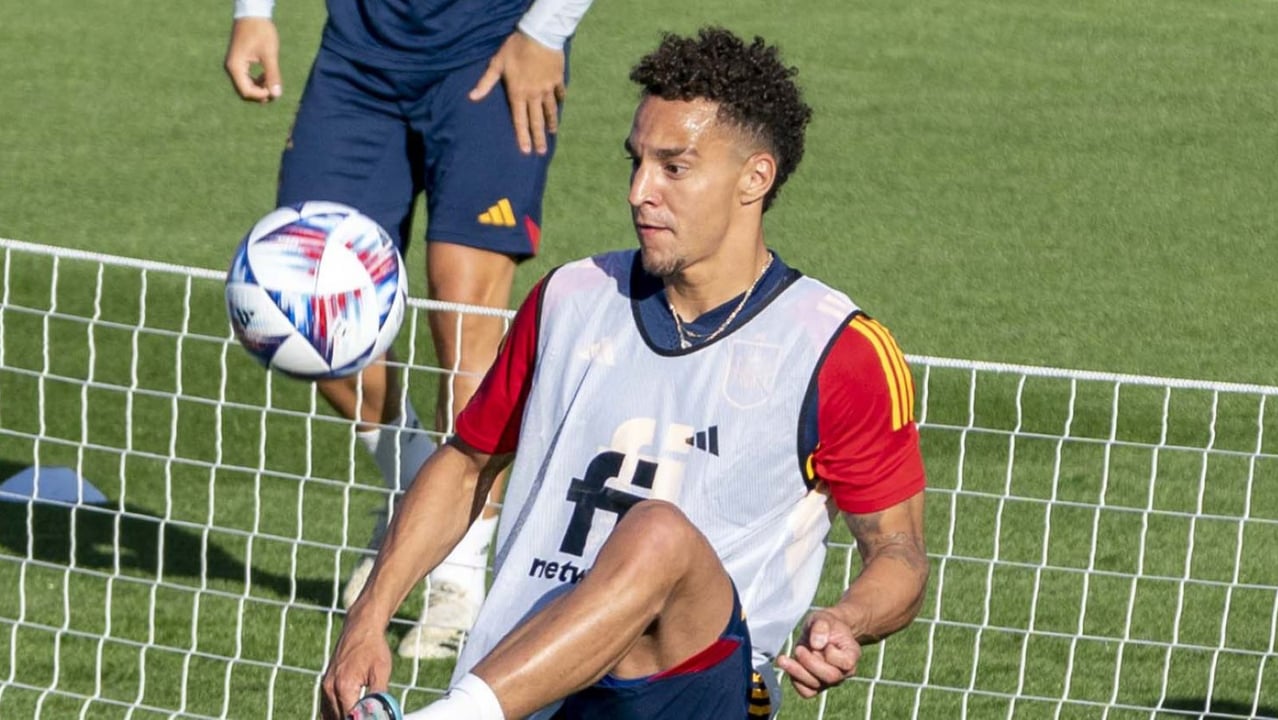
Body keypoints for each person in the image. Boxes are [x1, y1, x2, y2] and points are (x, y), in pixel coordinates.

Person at [321, 27, 929, 720]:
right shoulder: (570, 299)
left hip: (697, 688)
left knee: (657, 534)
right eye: (636, 162)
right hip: (522, 683)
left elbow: (900, 551)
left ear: (754, 178)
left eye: (674, 168)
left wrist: (848, 618)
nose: (640, 191)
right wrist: (368, 618)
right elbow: (465, 466)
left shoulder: (838, 349)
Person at [223, 0, 595, 659]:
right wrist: (253, 12)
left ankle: (458, 576)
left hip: (490, 48)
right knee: (301, 310)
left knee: (464, 317)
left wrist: (545, 30)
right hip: (358, 58)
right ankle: (417, 493)